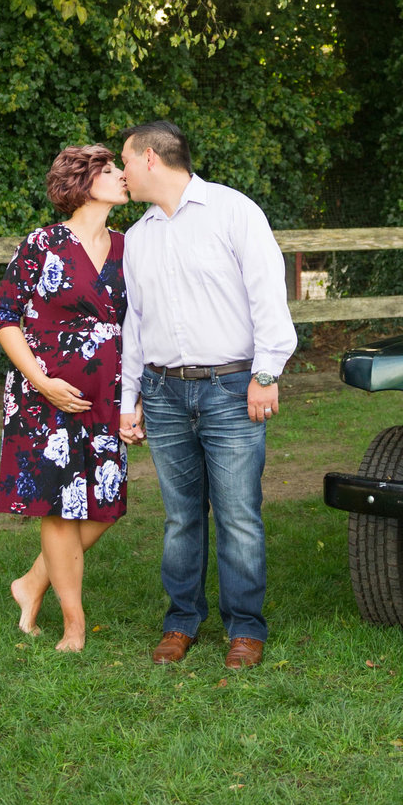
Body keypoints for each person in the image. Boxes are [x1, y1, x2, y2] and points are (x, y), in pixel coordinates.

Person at [117, 121, 297, 669]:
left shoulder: (233, 211)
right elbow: (134, 322)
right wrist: (130, 399)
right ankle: (182, 621)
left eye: (125, 161)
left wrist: (266, 375)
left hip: (231, 387)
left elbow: (268, 290)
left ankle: (245, 627)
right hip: (164, 391)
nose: (121, 174)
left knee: (239, 513)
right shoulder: (140, 235)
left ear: (150, 159)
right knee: (181, 517)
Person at [0, 145, 129, 652]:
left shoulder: (127, 247)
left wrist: (132, 399)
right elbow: (4, 319)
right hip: (44, 394)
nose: (122, 177)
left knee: (104, 504)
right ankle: (74, 625)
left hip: (106, 395)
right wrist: (42, 380)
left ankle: (31, 582)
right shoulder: (42, 243)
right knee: (59, 507)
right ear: (83, 180)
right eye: (110, 170)